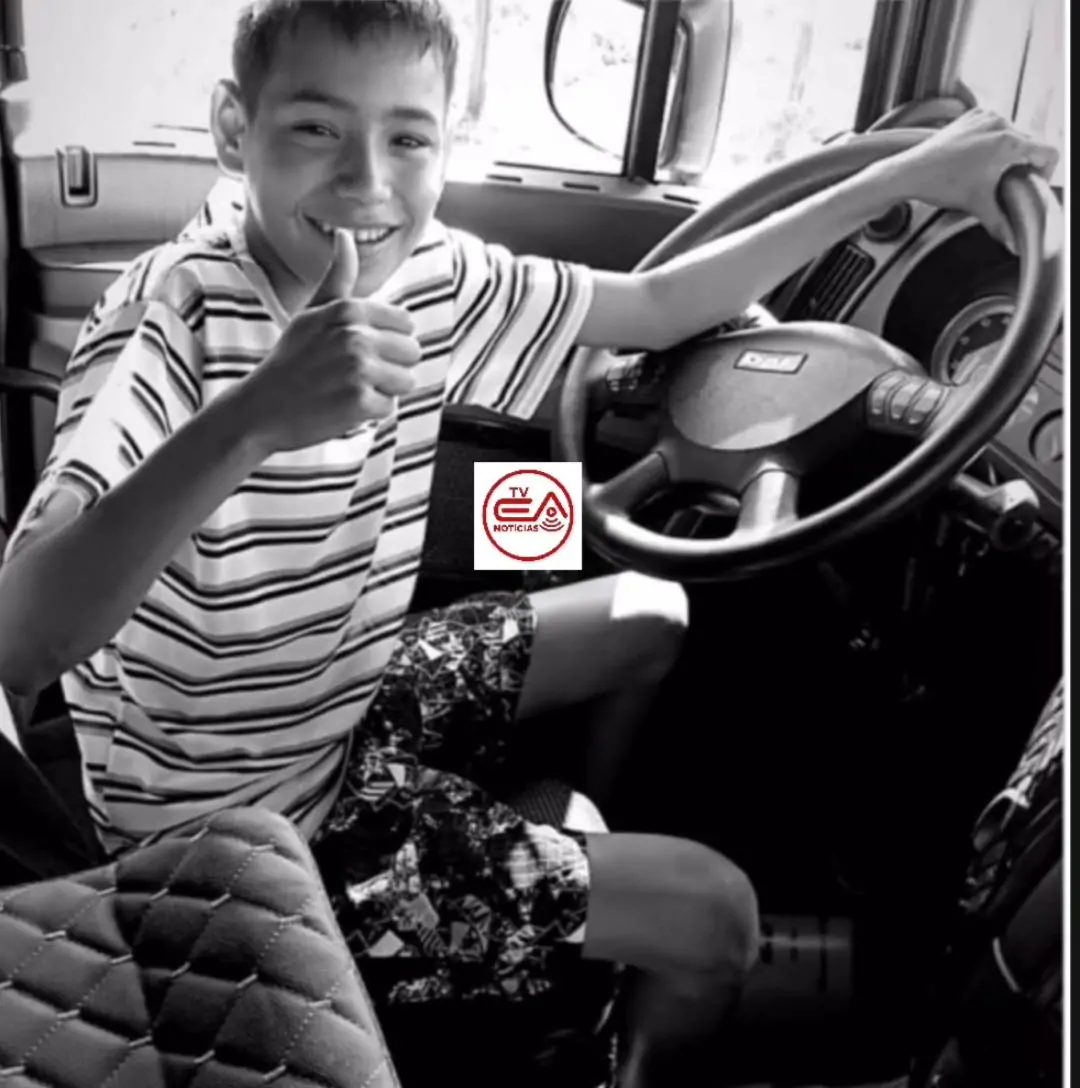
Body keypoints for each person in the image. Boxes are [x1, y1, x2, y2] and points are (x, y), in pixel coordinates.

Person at [0, 2, 1057, 1084]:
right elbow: (22, 638)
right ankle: (593, 1010)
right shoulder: (170, 319)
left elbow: (659, 302)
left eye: (408, 138)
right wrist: (252, 417)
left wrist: (902, 176)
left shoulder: (432, 272)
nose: (367, 181)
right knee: (717, 914)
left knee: (650, 613)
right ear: (235, 129)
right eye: (315, 129)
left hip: (342, 705)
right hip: (239, 841)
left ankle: (546, 928)